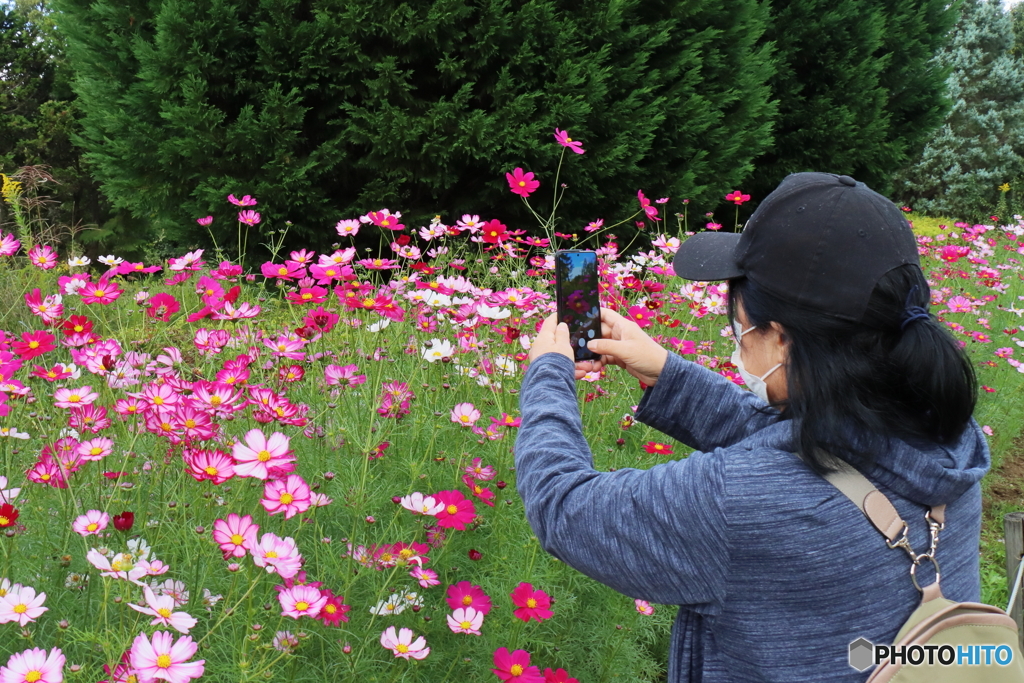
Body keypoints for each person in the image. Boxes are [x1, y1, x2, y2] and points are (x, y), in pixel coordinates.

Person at [514, 172, 988, 682]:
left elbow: (564, 507)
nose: (735, 342)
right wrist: (666, 372)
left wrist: (547, 373)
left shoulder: (737, 502)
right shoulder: (949, 431)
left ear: (780, 338)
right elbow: (815, 454)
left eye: (739, 328)